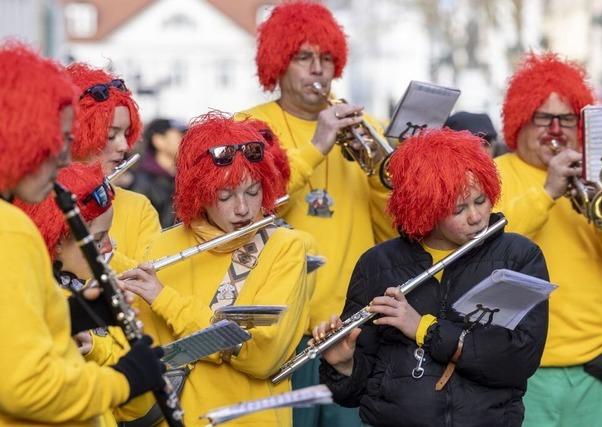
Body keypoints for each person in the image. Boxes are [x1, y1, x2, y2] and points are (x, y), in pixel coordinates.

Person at [317, 128, 549, 426]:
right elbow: (358, 391)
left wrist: (424, 329)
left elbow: (519, 360)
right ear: (427, 210)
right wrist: (344, 365)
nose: (476, 217)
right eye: (458, 209)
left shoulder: (517, 256)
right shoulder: (378, 264)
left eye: (481, 201)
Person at [241, 3, 396, 424]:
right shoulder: (249, 127)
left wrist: (381, 180)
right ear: (278, 62)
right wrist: (318, 144)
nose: (319, 71)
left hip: (354, 328)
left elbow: (391, 229)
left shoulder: (368, 129)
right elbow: (251, 206)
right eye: (304, 57)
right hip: (281, 330)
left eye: (327, 58)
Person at [0, 41, 164, 426]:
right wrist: (122, 381)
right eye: (57, 140)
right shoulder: (11, 230)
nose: (62, 156)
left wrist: (74, 313)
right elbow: (27, 386)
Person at [120, 112, 311, 426]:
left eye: (253, 192)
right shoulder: (160, 247)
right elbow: (144, 355)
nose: (243, 209)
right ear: (200, 194)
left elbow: (263, 354)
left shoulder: (285, 247)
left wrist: (165, 299)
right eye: (225, 196)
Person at [495, 52, 602, 427]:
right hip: (520, 373)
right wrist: (546, 194)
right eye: (543, 118)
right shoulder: (492, 176)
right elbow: (485, 257)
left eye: (566, 119)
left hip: (596, 370)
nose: (555, 130)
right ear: (519, 120)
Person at [15, 162, 156, 426]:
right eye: (99, 237)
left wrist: (96, 346)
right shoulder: (23, 292)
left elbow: (138, 407)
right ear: (57, 242)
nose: (107, 247)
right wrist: (124, 378)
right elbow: (29, 393)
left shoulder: (88, 290)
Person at [67, 63, 161, 272]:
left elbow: (148, 292)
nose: (124, 146)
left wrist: (103, 250)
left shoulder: (138, 209)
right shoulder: (33, 206)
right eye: (111, 135)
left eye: (126, 134)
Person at [129, 118, 186, 228]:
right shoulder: (142, 182)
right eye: (180, 135)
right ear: (158, 140)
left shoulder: (186, 176)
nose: (185, 140)